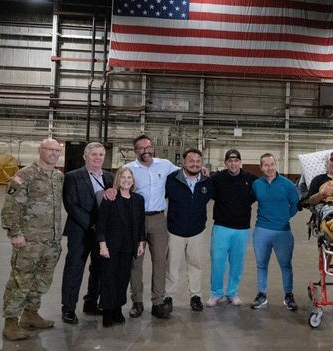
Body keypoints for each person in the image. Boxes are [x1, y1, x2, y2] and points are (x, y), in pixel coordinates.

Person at [107, 134, 178, 319]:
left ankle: (158, 302)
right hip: (135, 221)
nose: (145, 150)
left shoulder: (166, 165)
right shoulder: (128, 169)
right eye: (141, 148)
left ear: (153, 147)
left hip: (158, 220)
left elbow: (184, 172)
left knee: (160, 262)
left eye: (148, 147)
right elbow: (117, 185)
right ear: (135, 150)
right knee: (135, 263)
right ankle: (137, 302)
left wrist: (201, 168)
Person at [0, 138, 64, 341]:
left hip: (51, 240)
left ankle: (30, 314)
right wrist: (15, 233)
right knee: (21, 280)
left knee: (42, 280)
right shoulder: (24, 175)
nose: (53, 154)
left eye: (57, 151)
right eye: (49, 150)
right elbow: (11, 206)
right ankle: (10, 323)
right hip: (28, 241)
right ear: (40, 150)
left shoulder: (58, 177)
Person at [60, 142, 113, 325]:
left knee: (99, 268)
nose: (98, 158)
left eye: (101, 155)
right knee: (75, 269)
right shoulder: (72, 177)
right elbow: (71, 205)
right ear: (85, 156)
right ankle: (68, 308)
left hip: (103, 234)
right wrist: (93, 225)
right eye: (94, 155)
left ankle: (91, 303)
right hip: (80, 231)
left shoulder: (109, 177)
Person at [164, 148, 214, 313]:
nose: (195, 164)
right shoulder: (171, 179)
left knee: (196, 265)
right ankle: (168, 297)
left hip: (197, 231)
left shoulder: (207, 181)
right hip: (174, 231)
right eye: (191, 161)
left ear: (202, 163)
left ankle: (195, 296)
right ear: (183, 163)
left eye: (198, 161)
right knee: (172, 267)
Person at [96, 168, 146, 327]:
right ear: (118, 179)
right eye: (123, 177)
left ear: (133, 180)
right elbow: (101, 223)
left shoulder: (138, 199)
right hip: (111, 246)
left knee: (123, 279)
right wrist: (102, 245)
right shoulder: (110, 197)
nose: (126, 180)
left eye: (129, 177)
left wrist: (140, 242)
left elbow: (140, 224)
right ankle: (107, 311)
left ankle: (118, 308)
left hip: (128, 246)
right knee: (109, 278)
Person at [250, 153, 300, 311]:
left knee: (286, 265)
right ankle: (262, 294)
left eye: (272, 164)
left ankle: (288, 295)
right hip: (261, 230)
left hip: (283, 232)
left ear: (276, 164)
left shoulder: (287, 185)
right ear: (261, 167)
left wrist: (284, 217)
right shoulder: (256, 184)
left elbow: (295, 204)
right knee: (261, 264)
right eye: (266, 165)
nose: (270, 168)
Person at [208, 149, 257, 307]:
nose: (233, 164)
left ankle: (232, 293)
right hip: (221, 227)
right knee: (218, 261)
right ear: (226, 163)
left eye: (236, 161)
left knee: (237, 263)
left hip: (242, 229)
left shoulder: (250, 179)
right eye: (230, 161)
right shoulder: (217, 179)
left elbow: (258, 194)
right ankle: (216, 293)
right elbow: (208, 192)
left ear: (240, 162)